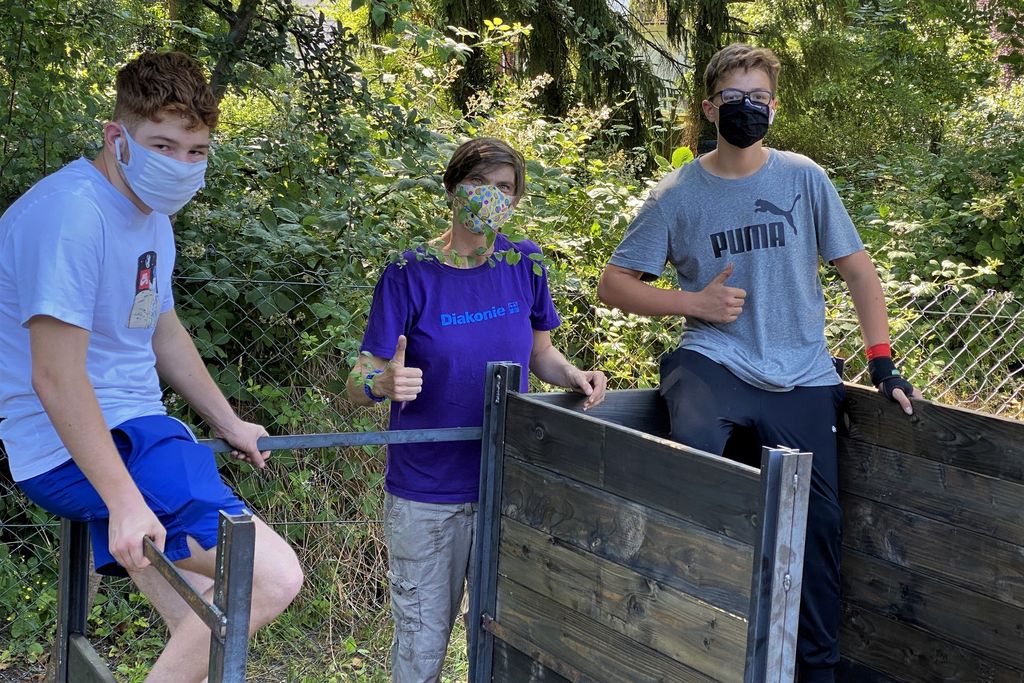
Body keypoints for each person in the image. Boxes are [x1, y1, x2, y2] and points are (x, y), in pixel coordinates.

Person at [597, 44, 922, 683]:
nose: (747, 110)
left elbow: (858, 271)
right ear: (710, 106)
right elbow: (614, 284)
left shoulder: (803, 178)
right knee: (699, 484)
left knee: (821, 526)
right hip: (714, 361)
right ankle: (700, 650)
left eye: (759, 100)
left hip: (801, 371)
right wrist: (692, 302)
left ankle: (814, 669)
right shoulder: (678, 193)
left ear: (774, 106)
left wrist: (881, 362)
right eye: (734, 99)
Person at [0, 52, 303, 682]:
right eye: (162, 144)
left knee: (195, 622)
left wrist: (228, 421)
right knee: (269, 578)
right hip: (84, 443)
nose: (180, 164)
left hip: (137, 429)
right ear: (118, 137)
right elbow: (54, 376)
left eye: (196, 151)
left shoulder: (150, 214)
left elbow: (160, 329)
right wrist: (125, 501)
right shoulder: (70, 216)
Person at [346, 137, 607, 683]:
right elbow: (360, 378)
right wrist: (384, 382)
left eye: (505, 187)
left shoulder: (524, 262)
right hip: (426, 495)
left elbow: (541, 353)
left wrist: (574, 375)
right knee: (422, 641)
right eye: (480, 184)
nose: (492, 196)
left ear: (517, 198)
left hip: (507, 486)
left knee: (504, 639)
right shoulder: (409, 271)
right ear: (452, 189)